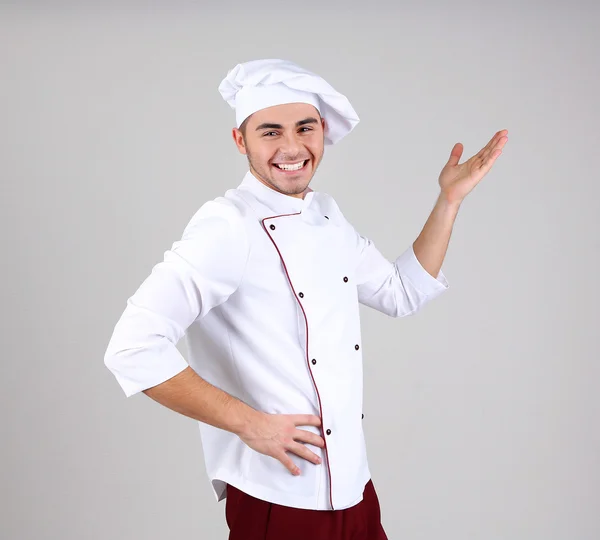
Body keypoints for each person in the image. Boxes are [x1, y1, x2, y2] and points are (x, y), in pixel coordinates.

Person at [103, 58, 508, 539]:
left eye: (305, 128)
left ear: (323, 131)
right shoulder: (227, 226)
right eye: (270, 132)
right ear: (241, 141)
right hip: (281, 497)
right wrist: (248, 424)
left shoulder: (326, 217)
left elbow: (401, 292)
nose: (292, 147)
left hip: (354, 489)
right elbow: (132, 348)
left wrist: (449, 201)